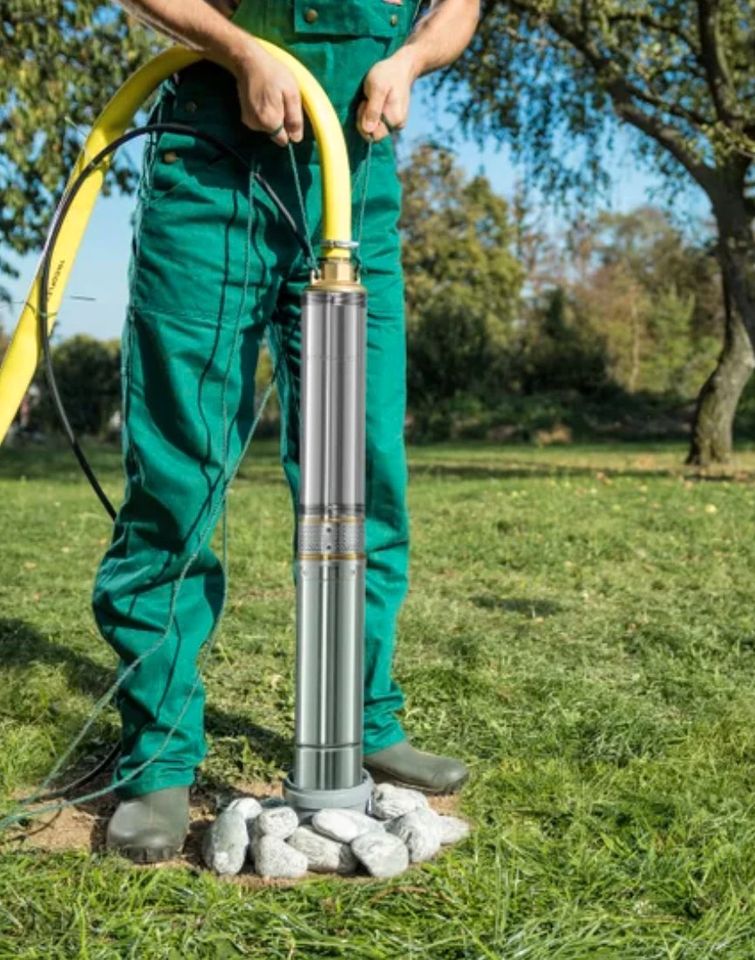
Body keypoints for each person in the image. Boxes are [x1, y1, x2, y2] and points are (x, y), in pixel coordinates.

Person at [97, 0, 480, 861]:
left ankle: (362, 716)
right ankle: (157, 755)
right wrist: (237, 49)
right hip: (211, 174)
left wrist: (411, 60)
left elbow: (457, 9)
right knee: (180, 472)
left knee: (364, 468)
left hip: (355, 182)